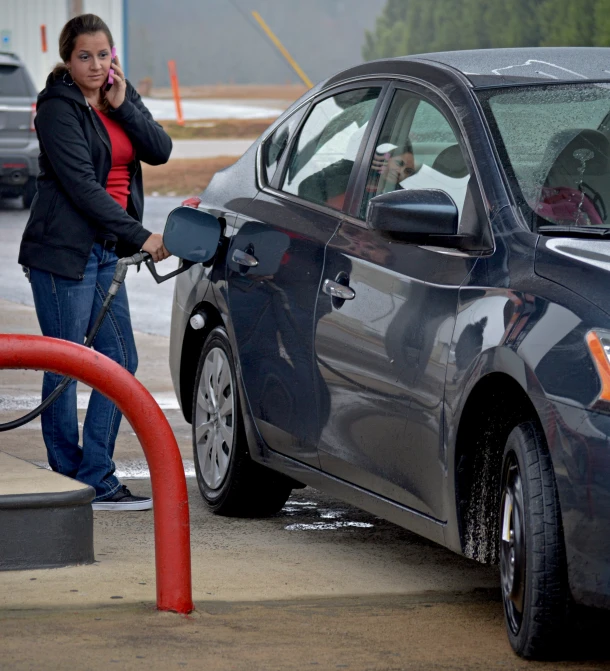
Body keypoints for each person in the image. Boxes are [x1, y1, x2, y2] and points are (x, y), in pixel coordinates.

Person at [18, 14, 172, 511]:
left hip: (108, 252)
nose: (95, 64)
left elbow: (160, 150)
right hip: (65, 253)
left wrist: (124, 105)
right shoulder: (57, 108)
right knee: (64, 365)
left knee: (120, 361)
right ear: (67, 59)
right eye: (85, 56)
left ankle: (95, 475)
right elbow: (83, 187)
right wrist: (142, 236)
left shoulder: (117, 96)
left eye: (103, 54)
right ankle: (70, 477)